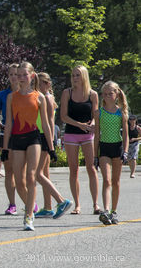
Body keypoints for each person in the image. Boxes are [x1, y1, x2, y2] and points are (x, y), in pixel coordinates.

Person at [1, 62, 58, 231]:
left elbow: (47, 124)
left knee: (31, 175)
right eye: (18, 75)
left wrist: (52, 147)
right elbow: (9, 124)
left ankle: (28, 217)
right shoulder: (12, 96)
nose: (20, 78)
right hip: (17, 139)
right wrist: (5, 148)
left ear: (32, 76)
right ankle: (31, 206)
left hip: (34, 138)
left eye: (24, 74)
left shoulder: (39, 97)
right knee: (19, 181)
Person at [60, 65, 101, 215]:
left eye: (77, 75)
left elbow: (95, 115)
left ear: (84, 76)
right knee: (74, 169)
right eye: (73, 75)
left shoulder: (92, 94)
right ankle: (77, 204)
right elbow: (63, 116)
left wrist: (93, 124)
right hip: (71, 134)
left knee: (91, 168)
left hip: (88, 135)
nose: (75, 78)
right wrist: (80, 125)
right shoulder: (67, 93)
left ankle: (96, 204)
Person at [34, 72, 72, 219]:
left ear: (48, 84)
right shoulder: (41, 98)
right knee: (44, 174)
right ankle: (48, 207)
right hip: (40, 135)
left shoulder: (47, 99)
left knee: (37, 174)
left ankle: (61, 201)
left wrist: (51, 146)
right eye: (36, 83)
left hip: (44, 137)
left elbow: (50, 123)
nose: (38, 86)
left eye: (42, 82)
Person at [94, 81, 129, 225]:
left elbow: (126, 134)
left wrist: (125, 151)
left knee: (116, 181)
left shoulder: (122, 113)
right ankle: (106, 210)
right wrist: (95, 155)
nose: (108, 96)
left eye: (111, 93)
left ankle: (114, 210)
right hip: (104, 148)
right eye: (105, 94)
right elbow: (97, 135)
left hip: (117, 147)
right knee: (106, 180)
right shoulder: (99, 112)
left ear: (116, 94)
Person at [0, 63, 24, 215]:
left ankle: (29, 203)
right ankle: (12, 204)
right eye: (11, 74)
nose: (13, 77)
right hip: (7, 136)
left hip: (24, 135)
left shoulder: (28, 94)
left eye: (16, 74)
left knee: (22, 173)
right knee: (9, 171)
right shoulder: (2, 95)